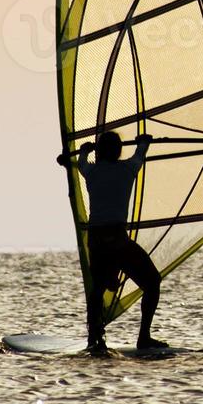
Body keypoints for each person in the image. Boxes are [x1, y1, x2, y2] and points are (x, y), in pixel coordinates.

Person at [57, 131, 165, 354]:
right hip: (117, 241)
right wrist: (143, 142)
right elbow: (140, 154)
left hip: (96, 241)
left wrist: (85, 151)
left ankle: (95, 338)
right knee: (152, 282)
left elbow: (81, 163)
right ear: (117, 151)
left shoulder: (92, 171)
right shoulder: (127, 169)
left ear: (99, 152)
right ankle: (143, 337)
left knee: (98, 289)